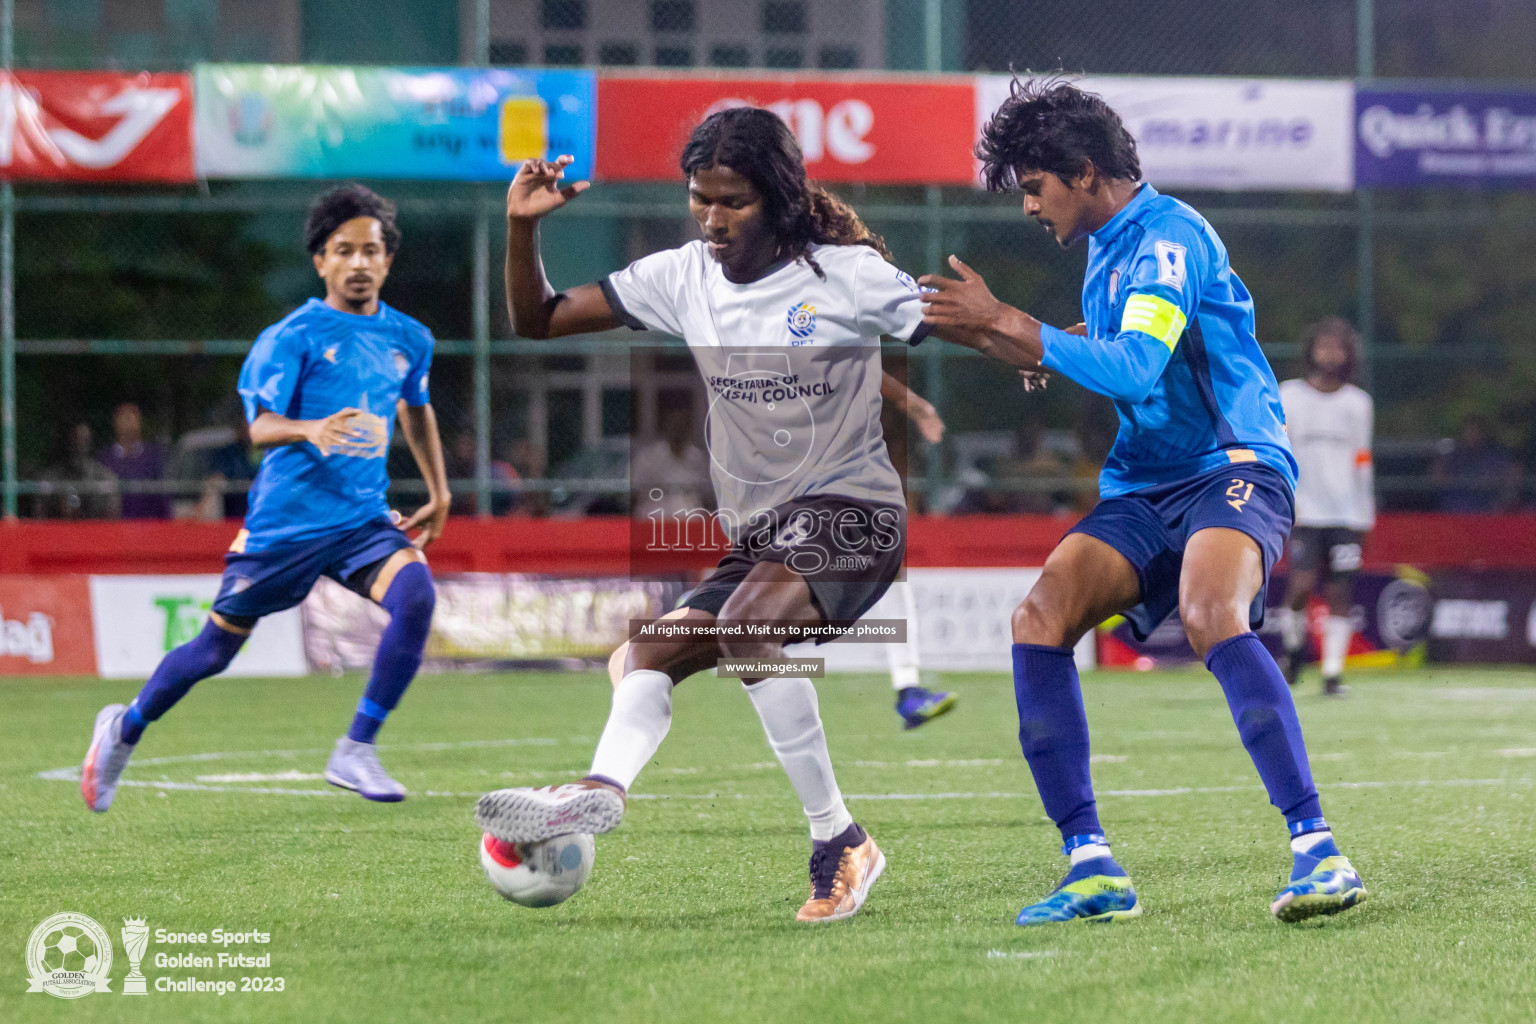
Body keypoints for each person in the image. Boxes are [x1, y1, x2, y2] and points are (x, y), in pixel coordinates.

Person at [917, 78, 1366, 925]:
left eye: (1034, 187)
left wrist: (1013, 322)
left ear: (1084, 173)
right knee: (1039, 617)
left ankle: (1319, 850)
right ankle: (1091, 867)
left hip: (1232, 465)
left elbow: (1133, 369)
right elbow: (1114, 345)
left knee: (1209, 611)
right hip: (1146, 481)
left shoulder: (1167, 237)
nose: (1029, 208)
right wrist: (1007, 335)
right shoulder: (1106, 251)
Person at [476, 107, 932, 923]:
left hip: (855, 513)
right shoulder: (681, 276)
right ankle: (598, 789)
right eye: (701, 200)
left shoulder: (845, 275)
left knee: (751, 628)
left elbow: (951, 320)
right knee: (642, 655)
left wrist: (1043, 346)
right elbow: (536, 320)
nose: (714, 220)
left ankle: (837, 843)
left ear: (781, 199)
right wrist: (520, 229)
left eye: (735, 202)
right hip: (766, 536)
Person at [81, 184, 451, 812]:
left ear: (387, 260)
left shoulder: (409, 338)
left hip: (361, 519)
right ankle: (124, 728)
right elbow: (259, 427)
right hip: (287, 524)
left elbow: (417, 411)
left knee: (416, 597)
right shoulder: (292, 335)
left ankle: (356, 748)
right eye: (344, 251)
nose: (359, 262)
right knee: (213, 651)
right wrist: (309, 428)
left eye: (371, 250)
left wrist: (440, 491)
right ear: (321, 261)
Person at [1277, 318, 1374, 696]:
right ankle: (1294, 651)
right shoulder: (1289, 396)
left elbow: (1363, 459)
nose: (1330, 354)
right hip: (1304, 510)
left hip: (1346, 513)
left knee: (1339, 591)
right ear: (1311, 351)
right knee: (1300, 586)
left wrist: (1365, 512)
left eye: (1338, 348)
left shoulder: (1358, 403)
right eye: (1323, 346)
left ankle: (1332, 673)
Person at [100, 402, 170, 519]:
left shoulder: (153, 457)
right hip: (114, 528)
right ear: (116, 422)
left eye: (132, 417)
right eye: (124, 418)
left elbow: (162, 496)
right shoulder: (105, 459)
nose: (128, 423)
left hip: (147, 526)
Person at [37, 423, 121, 519]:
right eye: (75, 441)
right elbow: (40, 521)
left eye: (84, 441)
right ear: (68, 443)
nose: (80, 447)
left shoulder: (106, 479)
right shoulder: (49, 479)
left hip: (94, 531)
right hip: (59, 532)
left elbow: (112, 522)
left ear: (91, 444)